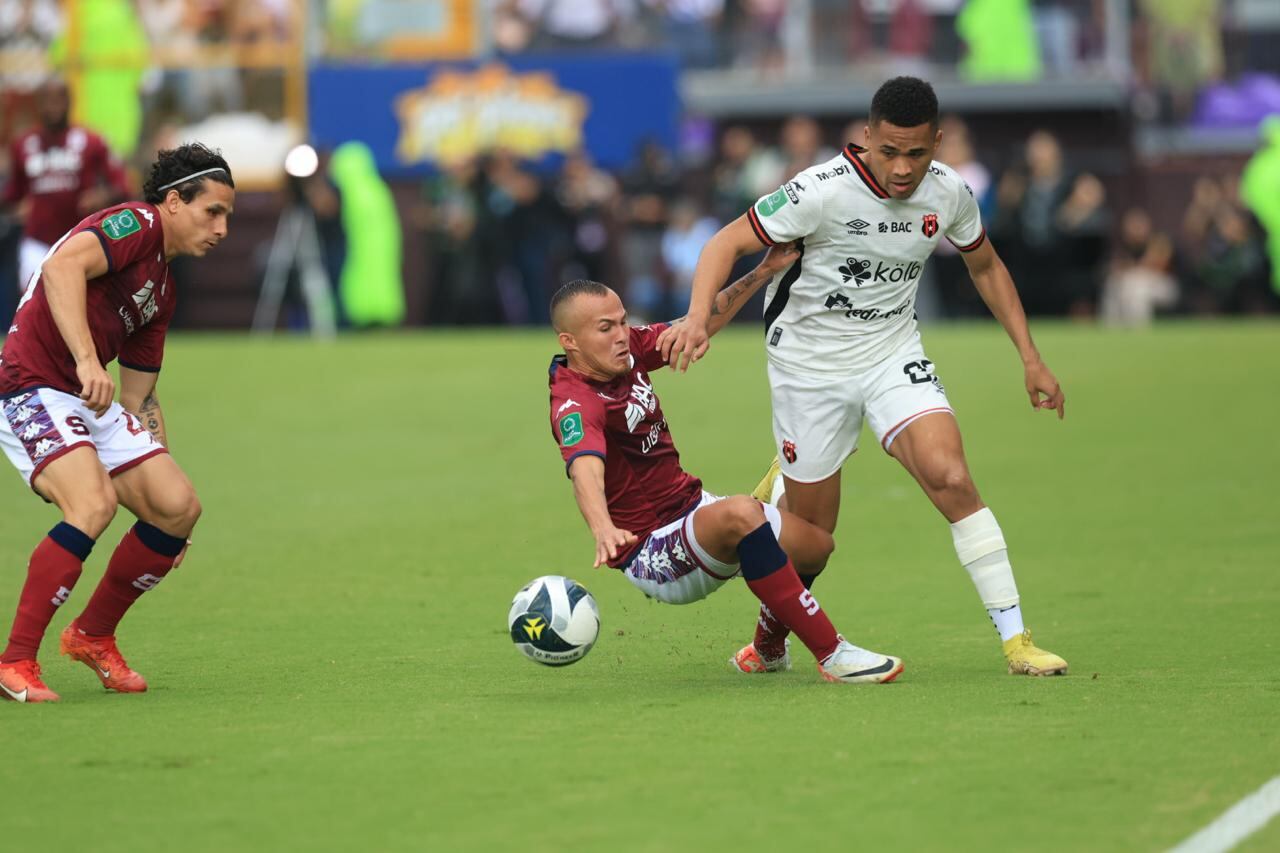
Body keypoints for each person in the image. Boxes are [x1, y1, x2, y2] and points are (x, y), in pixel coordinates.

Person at [659, 76, 1068, 677]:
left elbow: (986, 266)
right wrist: (698, 320)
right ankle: (770, 642)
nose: (903, 168)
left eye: (918, 153)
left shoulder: (949, 193)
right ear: (868, 136)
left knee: (950, 476)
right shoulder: (817, 191)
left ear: (938, 142)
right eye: (890, 151)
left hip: (890, 354)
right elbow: (725, 242)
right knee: (811, 539)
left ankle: (1017, 641)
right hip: (808, 370)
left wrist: (1030, 356)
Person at [547, 258, 903, 685]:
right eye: (606, 328)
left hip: (694, 509)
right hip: (652, 551)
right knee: (741, 513)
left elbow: (697, 324)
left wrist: (764, 270)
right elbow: (585, 468)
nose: (622, 335)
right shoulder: (574, 402)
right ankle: (834, 655)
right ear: (570, 341)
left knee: (816, 546)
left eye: (623, 322)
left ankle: (767, 649)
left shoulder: (629, 353)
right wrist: (603, 528)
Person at [0, 143, 235, 704]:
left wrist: (164, 513)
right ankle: (14, 661)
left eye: (228, 216)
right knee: (93, 505)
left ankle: (92, 636)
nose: (222, 228)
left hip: (89, 397)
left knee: (179, 507)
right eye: (213, 212)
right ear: (175, 202)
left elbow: (139, 396)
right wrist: (85, 359)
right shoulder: (135, 222)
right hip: (31, 382)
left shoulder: (164, 289)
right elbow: (60, 267)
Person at [3, 77, 131, 294]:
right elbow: (14, 192)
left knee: (78, 303)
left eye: (58, 100)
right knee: (33, 305)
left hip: (79, 238)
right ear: (37, 104)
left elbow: (123, 187)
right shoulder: (23, 144)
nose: (52, 107)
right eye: (45, 101)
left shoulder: (92, 141)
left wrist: (102, 196)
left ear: (69, 102)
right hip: (37, 239)